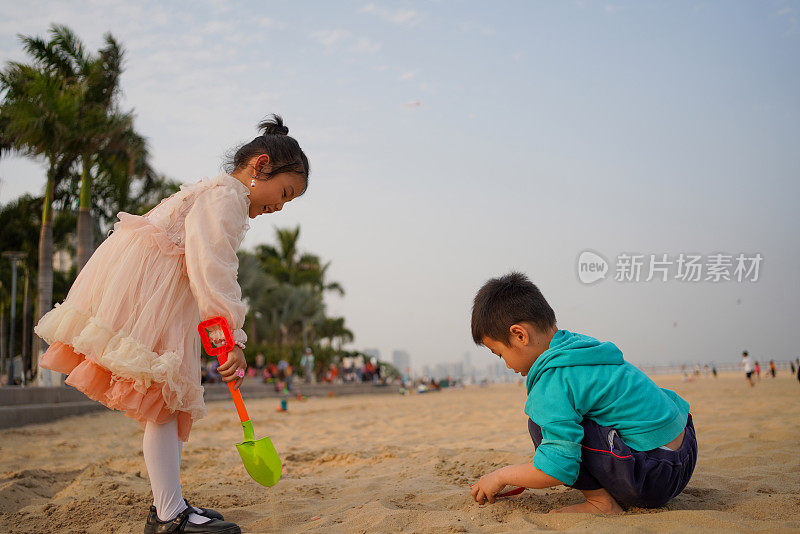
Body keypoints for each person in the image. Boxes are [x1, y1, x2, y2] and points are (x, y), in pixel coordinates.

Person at [34, 115, 309, 534]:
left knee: (168, 403)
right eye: (284, 192)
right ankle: (168, 514)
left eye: (289, 202)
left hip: (161, 292)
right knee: (165, 401)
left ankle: (169, 503)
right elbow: (212, 268)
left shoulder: (221, 193)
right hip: (154, 293)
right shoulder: (226, 198)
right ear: (260, 165)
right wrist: (229, 338)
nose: (280, 205)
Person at [469, 272, 696, 514]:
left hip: (653, 480)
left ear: (520, 335)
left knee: (538, 423)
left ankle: (601, 503)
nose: (507, 365)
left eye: (501, 354)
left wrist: (500, 476)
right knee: (573, 418)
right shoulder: (579, 346)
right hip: (687, 452)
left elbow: (557, 467)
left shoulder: (553, 380)